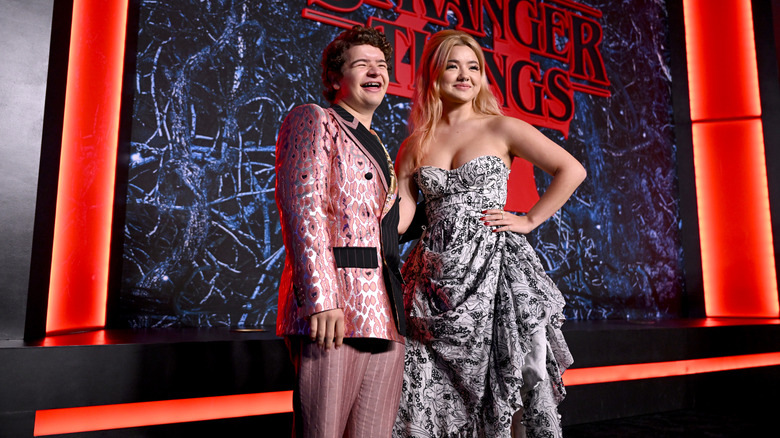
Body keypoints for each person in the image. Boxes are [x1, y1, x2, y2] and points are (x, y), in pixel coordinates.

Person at [392, 30, 586, 438]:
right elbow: (404, 215)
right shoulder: (415, 143)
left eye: (473, 67)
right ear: (432, 75)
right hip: (432, 282)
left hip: (493, 272)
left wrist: (530, 219)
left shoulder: (503, 128)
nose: (464, 75)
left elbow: (572, 170)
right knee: (428, 391)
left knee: (506, 378)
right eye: (452, 66)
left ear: (482, 76)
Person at [275, 25, 406, 438]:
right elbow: (303, 206)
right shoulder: (315, 119)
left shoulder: (382, 145)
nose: (375, 71)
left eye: (382, 65)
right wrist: (319, 298)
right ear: (335, 78)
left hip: (387, 313)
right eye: (362, 63)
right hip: (335, 311)